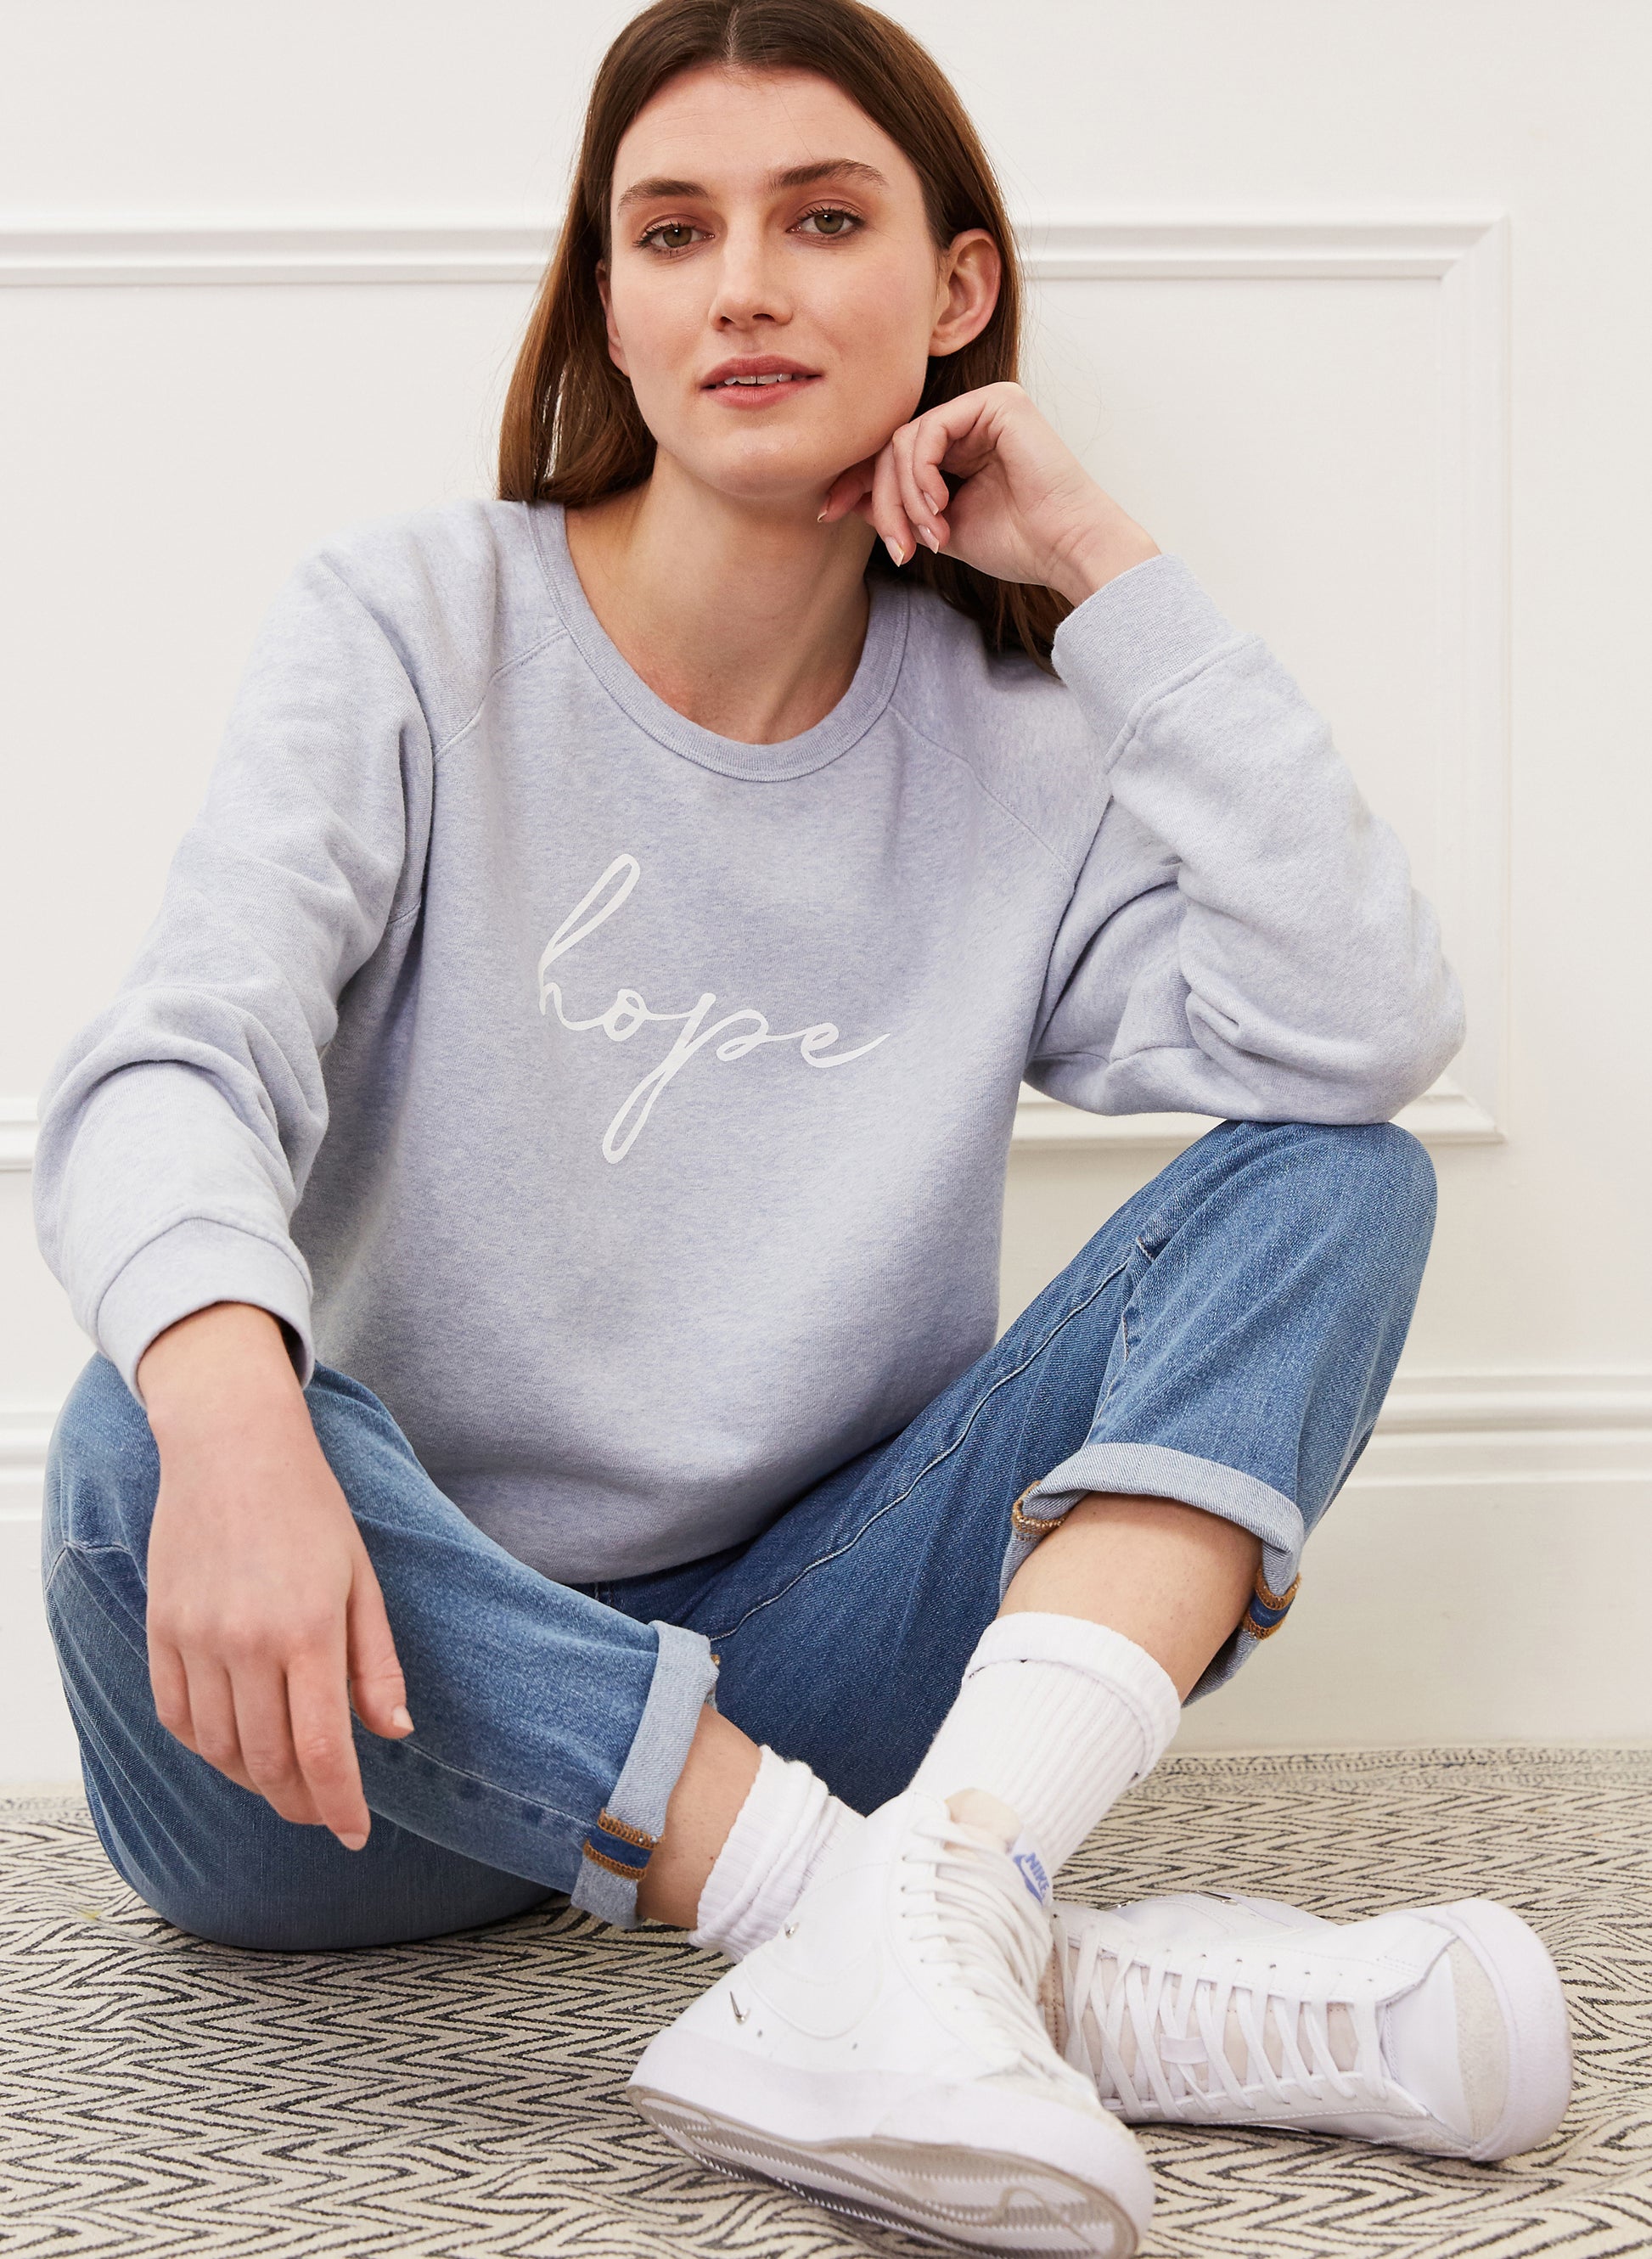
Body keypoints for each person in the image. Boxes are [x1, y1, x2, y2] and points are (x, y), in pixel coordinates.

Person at [34, 2, 1571, 2251]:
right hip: (346, 1721)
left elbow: (1352, 1031)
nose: (743, 284)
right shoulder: (410, 628)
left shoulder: (1019, 753)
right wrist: (236, 1414)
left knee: (1336, 1183)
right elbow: (176, 1057)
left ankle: (907, 1909)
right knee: (143, 1423)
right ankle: (972, 1946)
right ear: (612, 304)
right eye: (674, 232)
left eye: (822, 220)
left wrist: (1106, 566)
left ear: (953, 290)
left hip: (812, 1660)